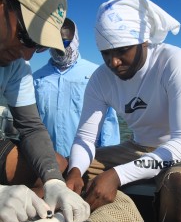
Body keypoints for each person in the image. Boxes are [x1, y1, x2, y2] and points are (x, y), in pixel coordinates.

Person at [65, 0, 181, 222]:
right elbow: (85, 137)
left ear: (144, 41)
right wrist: (75, 170)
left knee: (179, 187)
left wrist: (116, 175)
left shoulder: (174, 62)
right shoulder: (101, 78)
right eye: (104, 53)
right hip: (137, 147)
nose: (113, 62)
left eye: (122, 50)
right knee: (61, 168)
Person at [0, 0, 90, 222]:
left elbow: (30, 127)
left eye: (39, 46)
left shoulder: (17, 65)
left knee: (57, 165)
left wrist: (54, 182)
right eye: (27, 36)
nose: (28, 54)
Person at [33, 17, 120, 158]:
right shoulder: (36, 78)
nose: (59, 48)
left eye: (64, 42)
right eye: (53, 43)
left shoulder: (97, 73)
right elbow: (31, 122)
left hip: (88, 159)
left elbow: (109, 119)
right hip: (48, 159)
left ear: (76, 40)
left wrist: (107, 158)